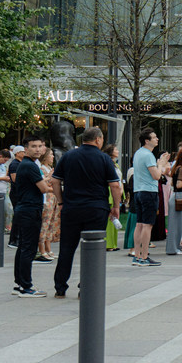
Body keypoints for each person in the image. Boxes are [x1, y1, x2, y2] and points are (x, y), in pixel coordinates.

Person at [51, 127, 122, 298]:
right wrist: (116, 207)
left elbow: (54, 181)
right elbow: (115, 185)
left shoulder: (68, 156)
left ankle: (60, 286)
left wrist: (61, 202)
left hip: (72, 208)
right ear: (98, 140)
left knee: (67, 247)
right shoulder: (104, 158)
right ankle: (86, 286)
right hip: (96, 208)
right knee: (92, 248)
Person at [10, 136, 52, 296]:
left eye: (40, 146)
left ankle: (19, 284)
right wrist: (60, 190)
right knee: (29, 248)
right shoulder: (29, 165)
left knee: (23, 247)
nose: (38, 149)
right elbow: (42, 188)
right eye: (33, 146)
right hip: (29, 209)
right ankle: (26, 286)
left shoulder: (27, 165)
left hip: (25, 208)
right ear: (25, 149)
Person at [131, 127, 170, 267]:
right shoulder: (148, 155)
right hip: (148, 191)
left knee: (140, 224)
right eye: (154, 137)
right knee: (147, 225)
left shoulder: (138, 153)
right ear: (147, 141)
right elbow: (157, 176)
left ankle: (137, 255)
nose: (157, 139)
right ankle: (144, 256)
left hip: (138, 191)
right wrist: (161, 164)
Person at [37, 148, 59, 262]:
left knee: (50, 224)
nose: (53, 157)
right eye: (51, 155)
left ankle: (48, 248)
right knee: (44, 225)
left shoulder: (49, 168)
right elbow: (44, 183)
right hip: (47, 199)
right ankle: (42, 250)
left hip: (53, 198)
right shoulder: (42, 169)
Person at [102, 144, 122, 251]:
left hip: (117, 191)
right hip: (111, 192)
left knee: (115, 219)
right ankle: (108, 244)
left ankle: (113, 243)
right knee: (110, 219)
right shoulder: (107, 163)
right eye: (116, 149)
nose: (118, 151)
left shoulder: (116, 165)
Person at [6, 145, 25, 247]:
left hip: (20, 193)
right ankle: (14, 239)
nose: (24, 153)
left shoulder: (21, 163)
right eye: (23, 151)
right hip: (16, 193)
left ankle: (17, 238)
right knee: (17, 216)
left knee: (20, 216)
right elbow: (14, 179)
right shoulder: (14, 164)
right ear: (17, 153)